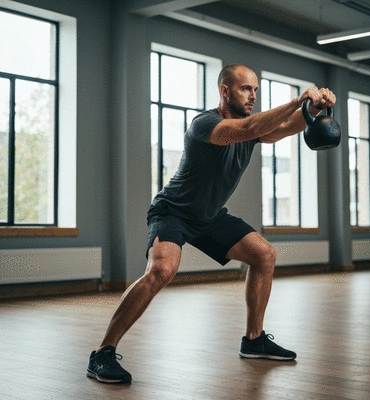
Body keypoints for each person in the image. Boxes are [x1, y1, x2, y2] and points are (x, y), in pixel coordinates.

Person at [87, 64, 336, 384]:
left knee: (264, 255)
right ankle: (103, 353)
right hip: (173, 211)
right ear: (225, 90)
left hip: (209, 216)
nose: (253, 96)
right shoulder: (205, 123)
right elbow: (247, 129)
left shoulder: (254, 128)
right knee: (162, 270)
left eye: (256, 90)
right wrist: (295, 102)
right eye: (246, 89)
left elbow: (286, 128)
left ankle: (253, 339)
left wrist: (313, 107)